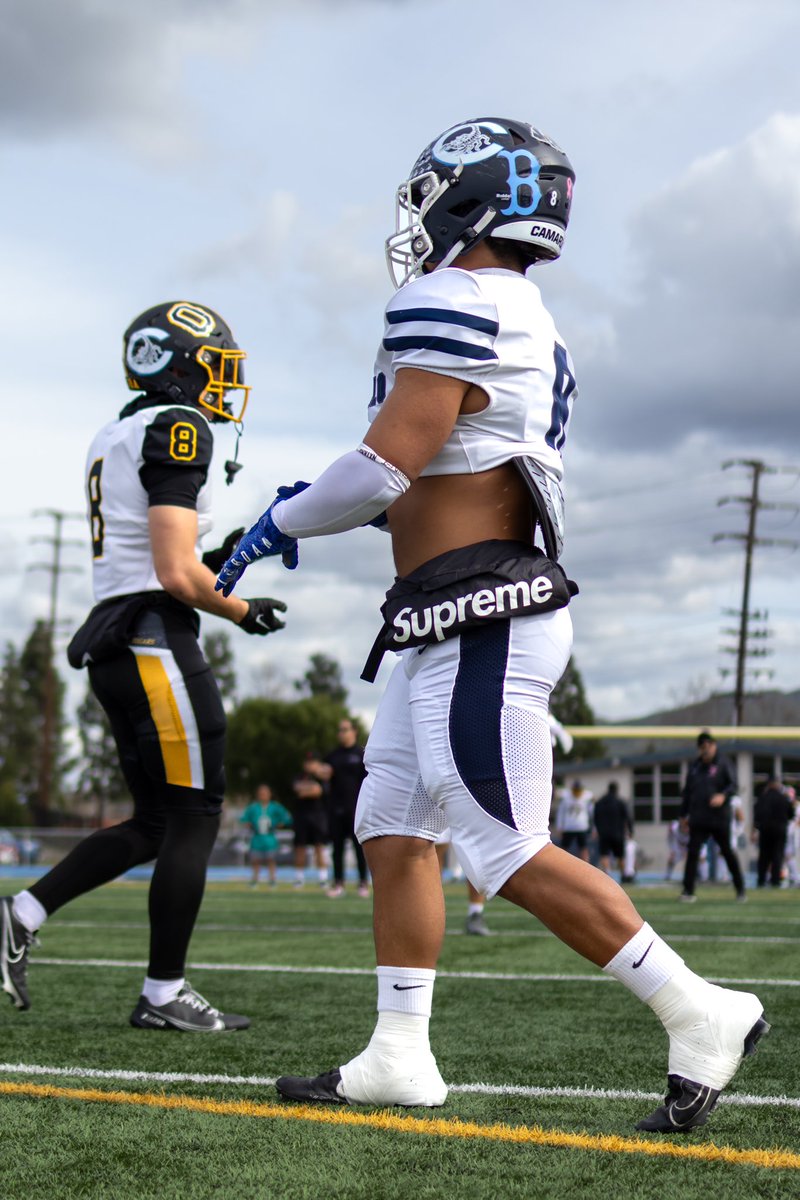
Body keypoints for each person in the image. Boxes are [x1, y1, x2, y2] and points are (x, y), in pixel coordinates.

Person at [214, 118, 767, 1131]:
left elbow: (384, 466)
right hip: (442, 614)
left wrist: (273, 520)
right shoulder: (522, 312)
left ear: (461, 199)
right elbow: (432, 470)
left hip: (483, 613)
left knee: (501, 848)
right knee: (388, 827)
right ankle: (397, 1053)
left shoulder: (454, 297)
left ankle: (698, 1010)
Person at [0, 300, 288, 1032]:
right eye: (215, 366)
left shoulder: (116, 430)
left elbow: (167, 558)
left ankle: (20, 914)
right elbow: (173, 572)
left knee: (159, 821)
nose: (223, 383)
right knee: (194, 815)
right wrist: (240, 609)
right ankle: (163, 995)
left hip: (119, 642)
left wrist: (223, 560)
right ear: (179, 362)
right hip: (154, 637)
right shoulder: (178, 426)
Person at [679, 732, 746, 903]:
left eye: (709, 746)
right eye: (703, 747)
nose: (706, 750)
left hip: (719, 818)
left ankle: (740, 889)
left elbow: (734, 785)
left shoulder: (724, 764)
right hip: (698, 817)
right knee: (693, 853)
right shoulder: (695, 767)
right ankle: (688, 891)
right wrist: (683, 815)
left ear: (714, 746)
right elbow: (687, 793)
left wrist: (723, 796)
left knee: (727, 852)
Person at [309, 720, 370, 898]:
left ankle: (363, 883)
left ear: (354, 732)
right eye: (340, 730)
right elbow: (324, 774)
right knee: (337, 848)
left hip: (356, 808)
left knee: (359, 848)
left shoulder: (361, 754)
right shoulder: (333, 756)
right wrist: (317, 770)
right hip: (335, 808)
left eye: (345, 730)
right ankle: (338, 883)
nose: (342, 733)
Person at [239, 783, 292, 887]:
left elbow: (287, 818)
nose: (263, 795)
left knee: (271, 860)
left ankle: (272, 880)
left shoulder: (275, 806)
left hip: (270, 837)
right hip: (257, 837)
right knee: (255, 860)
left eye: (265, 793)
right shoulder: (253, 807)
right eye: (261, 793)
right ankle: (255, 880)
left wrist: (280, 824)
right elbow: (244, 819)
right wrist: (248, 824)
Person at [291, 752, 330, 888]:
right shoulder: (299, 776)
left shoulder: (322, 778)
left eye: (312, 762)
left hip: (318, 816)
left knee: (319, 846)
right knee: (300, 847)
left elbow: (318, 791)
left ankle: (323, 878)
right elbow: (298, 790)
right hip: (301, 816)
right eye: (308, 762)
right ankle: (299, 878)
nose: (309, 765)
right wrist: (310, 789)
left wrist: (308, 789)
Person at [752, 777, 795, 889]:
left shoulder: (762, 798)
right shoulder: (784, 798)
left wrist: (755, 829)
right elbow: (791, 814)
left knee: (764, 856)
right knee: (777, 855)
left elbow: (756, 815)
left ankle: (761, 880)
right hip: (780, 830)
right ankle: (775, 880)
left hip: (765, 829)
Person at [592, 782, 634, 880]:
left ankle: (607, 874)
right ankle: (623, 875)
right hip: (618, 833)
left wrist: (598, 829)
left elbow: (595, 818)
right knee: (620, 855)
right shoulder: (620, 802)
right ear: (616, 790)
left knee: (604, 854)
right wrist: (631, 830)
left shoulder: (600, 802)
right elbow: (628, 817)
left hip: (604, 833)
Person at [555, 780, 593, 862]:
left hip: (582, 827)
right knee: (564, 849)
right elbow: (561, 813)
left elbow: (591, 813)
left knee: (584, 849)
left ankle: (586, 867)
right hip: (569, 827)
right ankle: (562, 864)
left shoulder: (587, 797)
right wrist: (559, 827)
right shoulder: (566, 798)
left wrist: (593, 828)